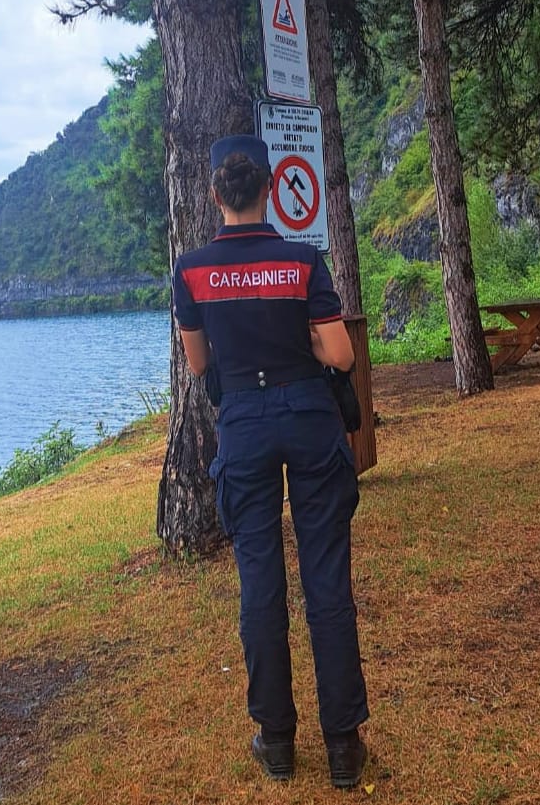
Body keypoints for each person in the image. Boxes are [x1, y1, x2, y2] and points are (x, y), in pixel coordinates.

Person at [172, 134, 369, 788]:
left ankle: (277, 739)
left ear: (214, 193)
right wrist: (307, 341)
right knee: (326, 581)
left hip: (245, 427)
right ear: (268, 187)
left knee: (260, 583)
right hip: (309, 414)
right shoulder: (301, 259)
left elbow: (200, 365)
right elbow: (340, 354)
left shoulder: (192, 269)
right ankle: (344, 746)